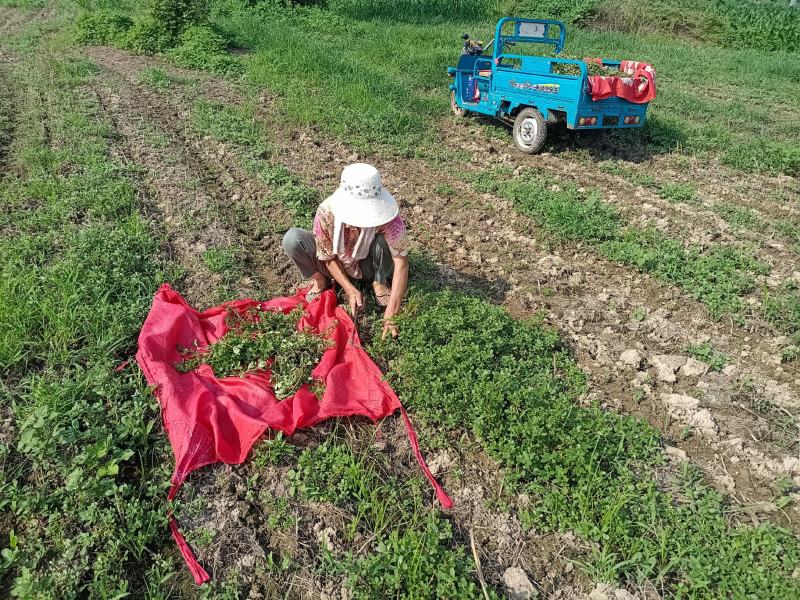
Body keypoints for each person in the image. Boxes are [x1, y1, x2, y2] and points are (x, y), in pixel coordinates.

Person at [282, 163, 409, 339]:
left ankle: (379, 282)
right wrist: (349, 289)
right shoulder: (326, 213)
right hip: (336, 261)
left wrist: (393, 311)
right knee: (293, 238)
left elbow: (401, 262)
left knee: (382, 241)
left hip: (367, 265)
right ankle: (321, 281)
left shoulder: (389, 219)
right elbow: (326, 255)